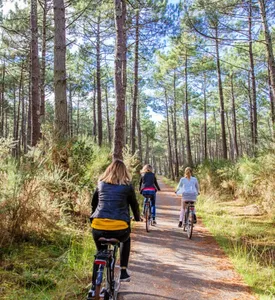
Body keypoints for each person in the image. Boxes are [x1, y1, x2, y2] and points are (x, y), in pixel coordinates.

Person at [89, 159, 140, 290]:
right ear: (124, 172)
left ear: (109, 170)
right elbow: (134, 204)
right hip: (119, 229)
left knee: (101, 250)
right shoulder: (127, 186)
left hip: (98, 227)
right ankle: (123, 271)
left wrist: (93, 215)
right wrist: (138, 218)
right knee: (126, 239)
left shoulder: (100, 184)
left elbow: (94, 203)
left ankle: (96, 278)